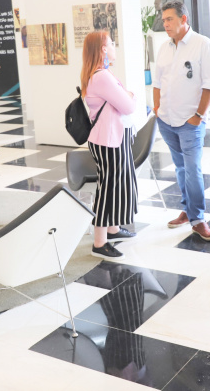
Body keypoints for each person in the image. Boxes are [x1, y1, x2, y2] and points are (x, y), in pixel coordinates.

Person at [153, 0, 210, 241]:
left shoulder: (203, 45)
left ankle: (199, 219)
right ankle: (187, 210)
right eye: (164, 19)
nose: (165, 23)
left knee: (193, 169)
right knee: (180, 168)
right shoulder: (164, 47)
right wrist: (158, 108)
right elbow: (158, 82)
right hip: (167, 121)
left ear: (184, 19)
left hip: (190, 122)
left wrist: (199, 116)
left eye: (169, 19)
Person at [80, 31, 139, 259]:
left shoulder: (100, 74)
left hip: (112, 138)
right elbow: (128, 106)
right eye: (111, 43)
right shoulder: (102, 76)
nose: (115, 46)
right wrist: (129, 94)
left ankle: (112, 230)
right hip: (107, 141)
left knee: (116, 185)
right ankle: (99, 242)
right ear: (103, 49)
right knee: (108, 189)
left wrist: (126, 95)